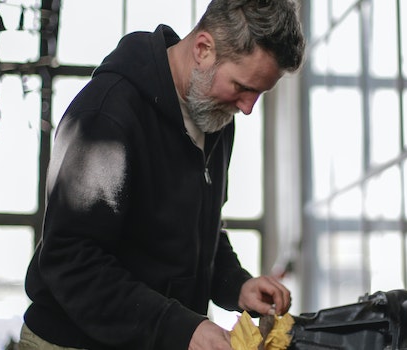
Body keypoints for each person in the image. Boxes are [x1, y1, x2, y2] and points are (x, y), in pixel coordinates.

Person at [17, 0, 305, 349]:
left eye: (259, 93)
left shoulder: (214, 114)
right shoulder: (106, 115)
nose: (247, 107)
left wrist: (236, 285)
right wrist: (182, 329)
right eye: (243, 87)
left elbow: (199, 227)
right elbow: (70, 260)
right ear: (202, 49)